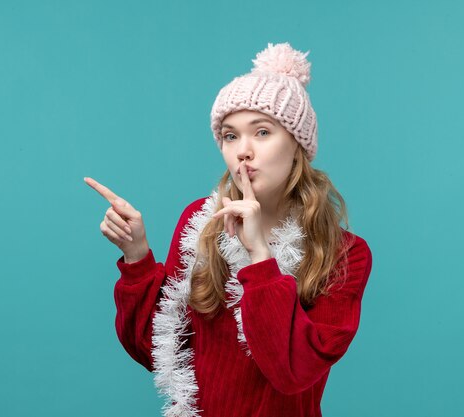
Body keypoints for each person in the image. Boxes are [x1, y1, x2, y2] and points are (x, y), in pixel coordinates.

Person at [84, 41, 373, 417]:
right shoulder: (200, 224)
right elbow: (158, 349)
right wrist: (136, 255)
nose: (243, 151)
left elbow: (293, 372)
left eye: (263, 132)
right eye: (230, 135)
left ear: (298, 145)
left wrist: (259, 258)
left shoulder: (344, 252)